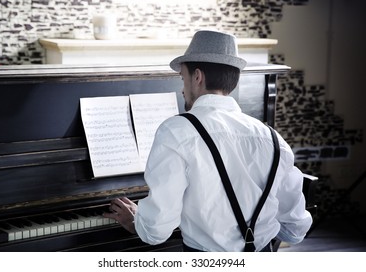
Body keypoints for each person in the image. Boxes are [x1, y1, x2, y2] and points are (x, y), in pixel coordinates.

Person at [103, 30, 312, 252]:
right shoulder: (272, 138)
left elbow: (156, 230)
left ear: (197, 77)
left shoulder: (176, 130)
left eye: (182, 78)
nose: (182, 90)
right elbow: (295, 230)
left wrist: (138, 223)